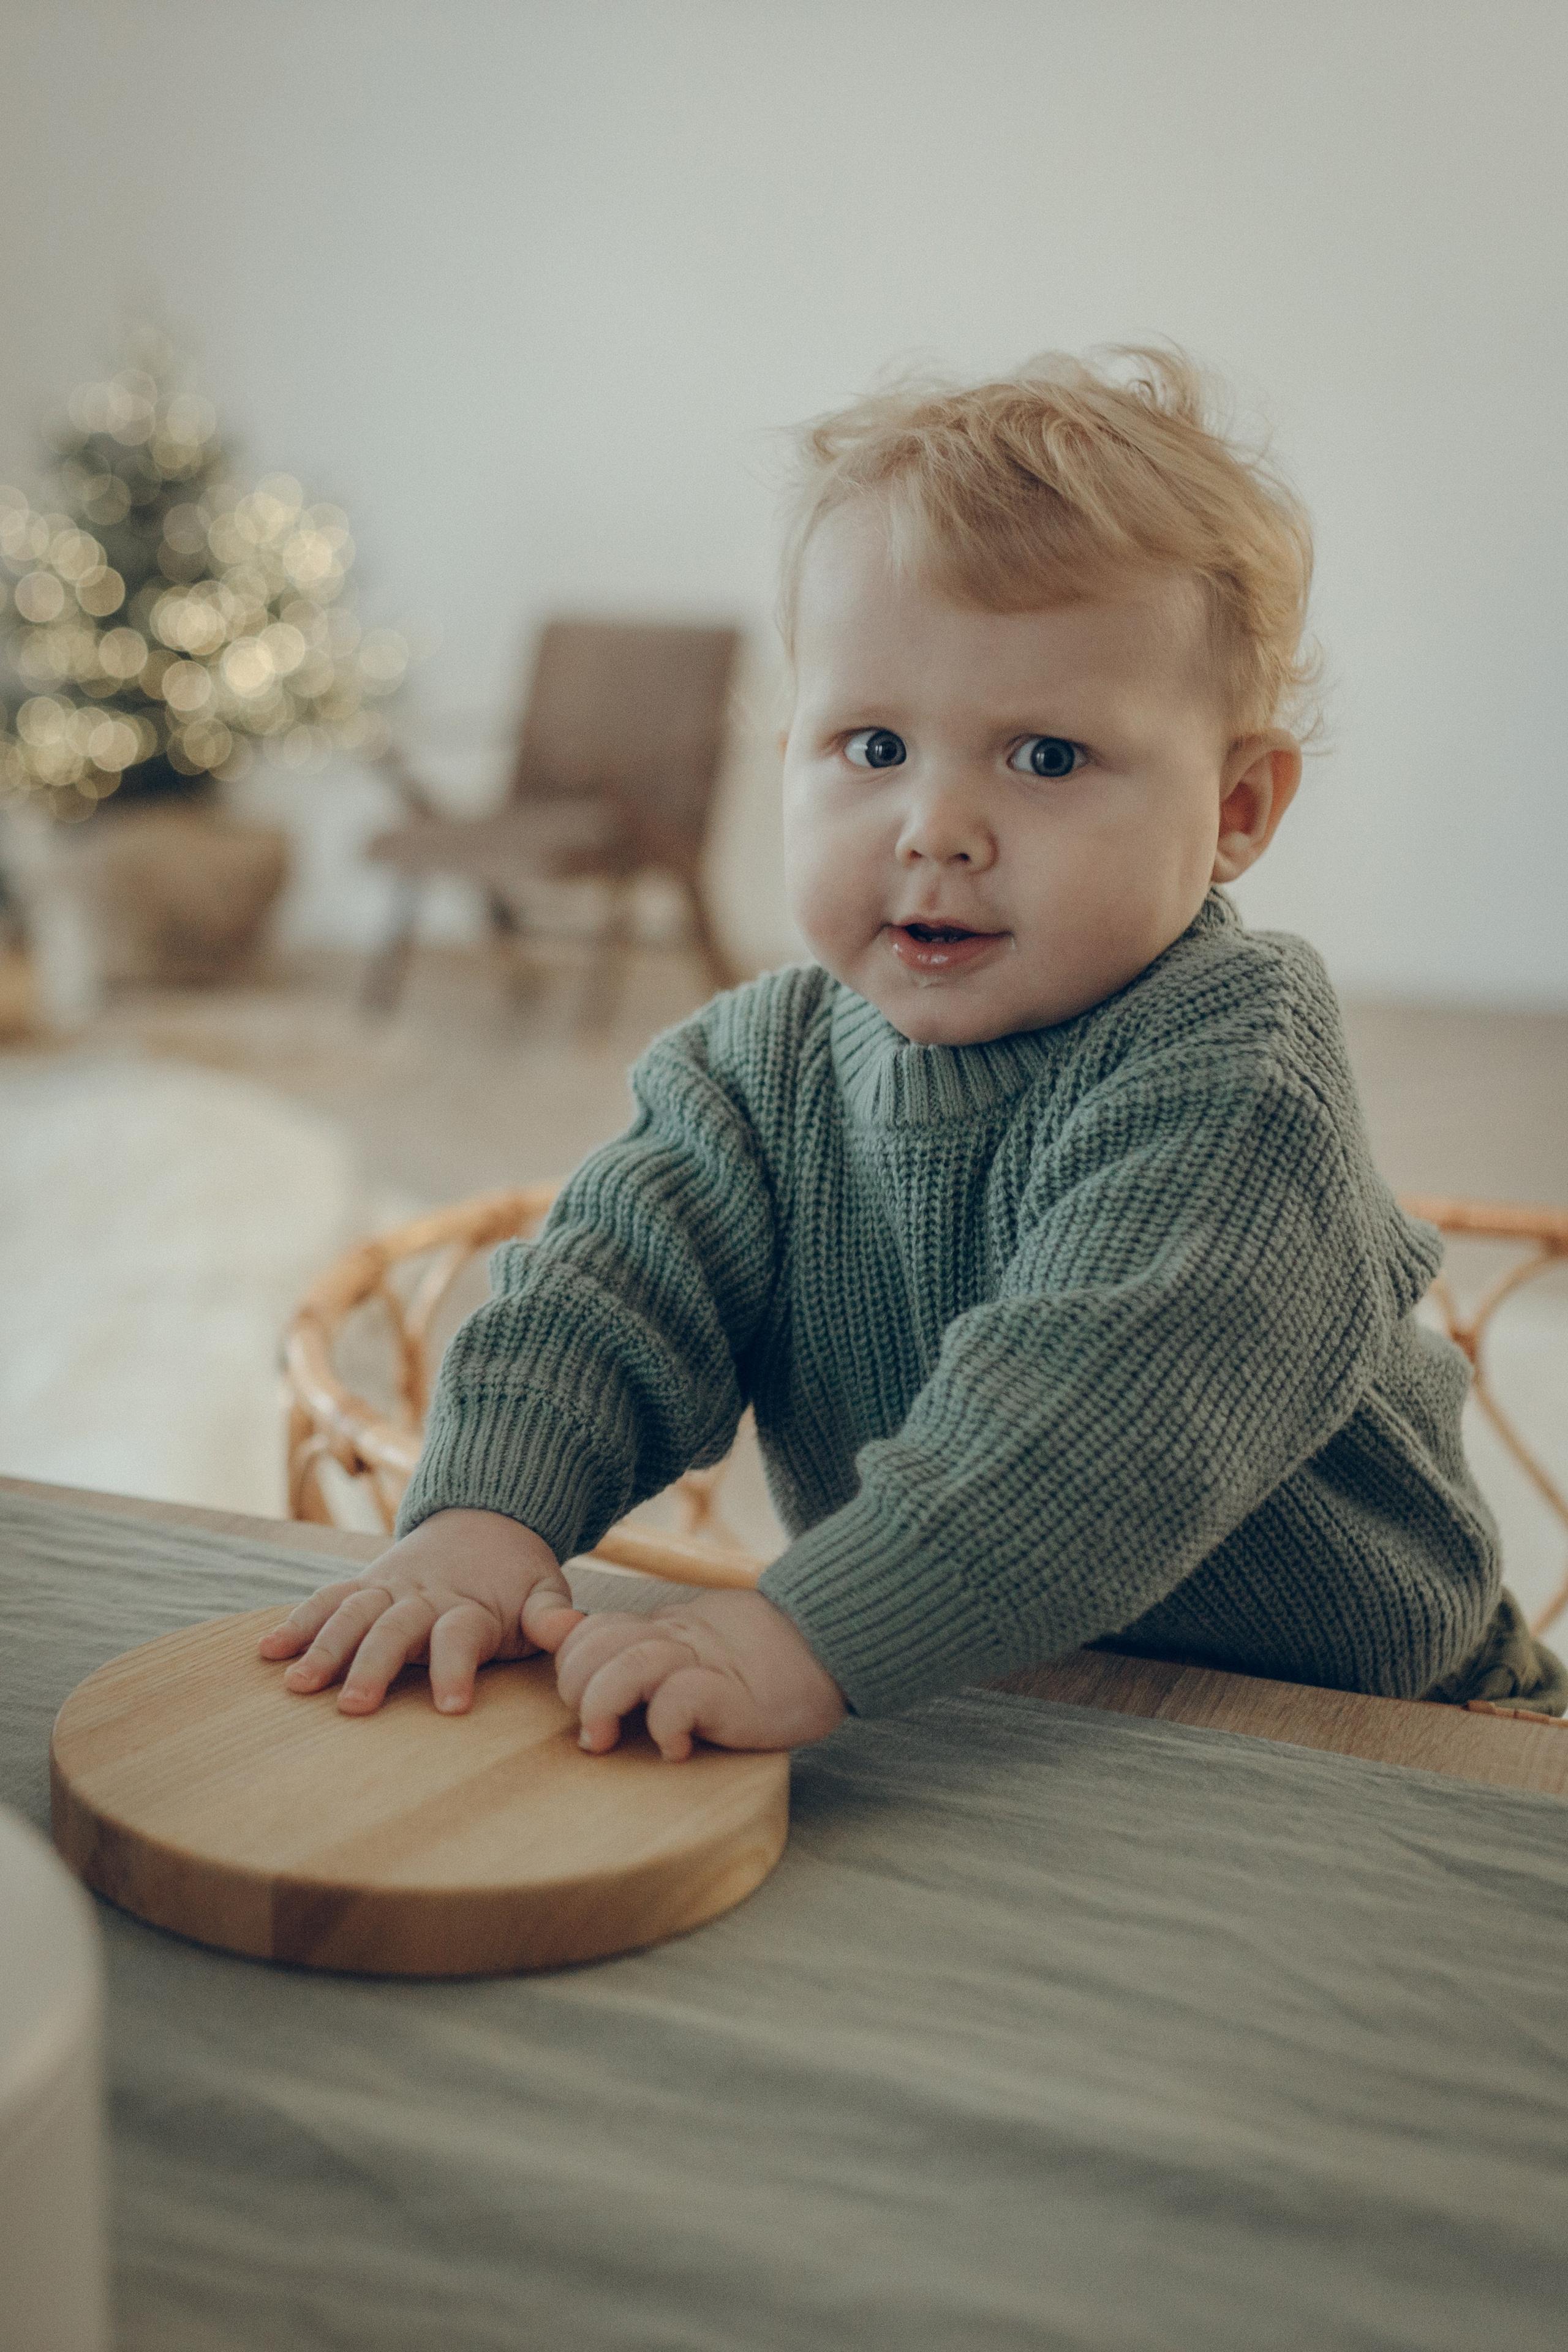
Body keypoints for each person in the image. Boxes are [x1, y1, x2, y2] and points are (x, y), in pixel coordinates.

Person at [261, 348, 1564, 1753]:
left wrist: (803, 1630)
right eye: (871, 746)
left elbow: (1091, 1435)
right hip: (985, 1698)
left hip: (1372, 1726)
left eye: (1045, 758)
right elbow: (606, 1294)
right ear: (787, 761)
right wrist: (482, 1517)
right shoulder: (753, 1070)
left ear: (1237, 807)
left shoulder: (1235, 1073)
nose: (933, 826)